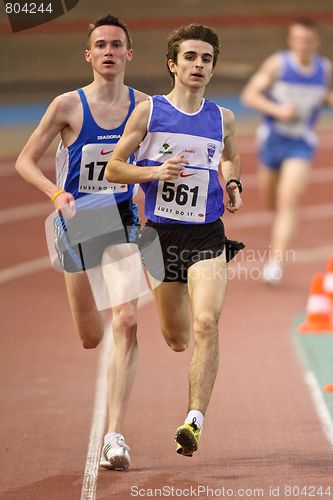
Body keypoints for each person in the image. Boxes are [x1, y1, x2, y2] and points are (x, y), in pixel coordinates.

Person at [15, 14, 148, 470]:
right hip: (78, 224)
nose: (108, 51)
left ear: (129, 54)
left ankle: (115, 435)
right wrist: (56, 192)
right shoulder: (67, 106)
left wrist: (144, 182)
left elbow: (157, 158)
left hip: (122, 219)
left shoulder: (146, 107)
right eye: (100, 45)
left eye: (117, 44)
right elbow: (24, 162)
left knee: (128, 319)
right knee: (91, 338)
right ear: (88, 55)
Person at [105, 23, 243, 457]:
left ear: (213, 67)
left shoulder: (223, 118)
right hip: (160, 237)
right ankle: (179, 313)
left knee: (206, 323)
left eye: (206, 59)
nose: (198, 65)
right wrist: (154, 173)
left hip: (206, 234)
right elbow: (114, 168)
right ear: (173, 64)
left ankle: (194, 419)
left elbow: (230, 154)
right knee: (177, 337)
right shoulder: (150, 113)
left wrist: (233, 180)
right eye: (190, 57)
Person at [241, 17, 333, 284]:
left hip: (301, 142)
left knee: (289, 199)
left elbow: (326, 94)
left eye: (307, 40)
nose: (303, 45)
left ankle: (276, 262)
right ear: (291, 41)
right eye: (298, 40)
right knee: (272, 202)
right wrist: (278, 110)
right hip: (272, 139)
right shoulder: (278, 65)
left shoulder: (324, 69)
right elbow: (250, 95)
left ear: (315, 41)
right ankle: (279, 225)